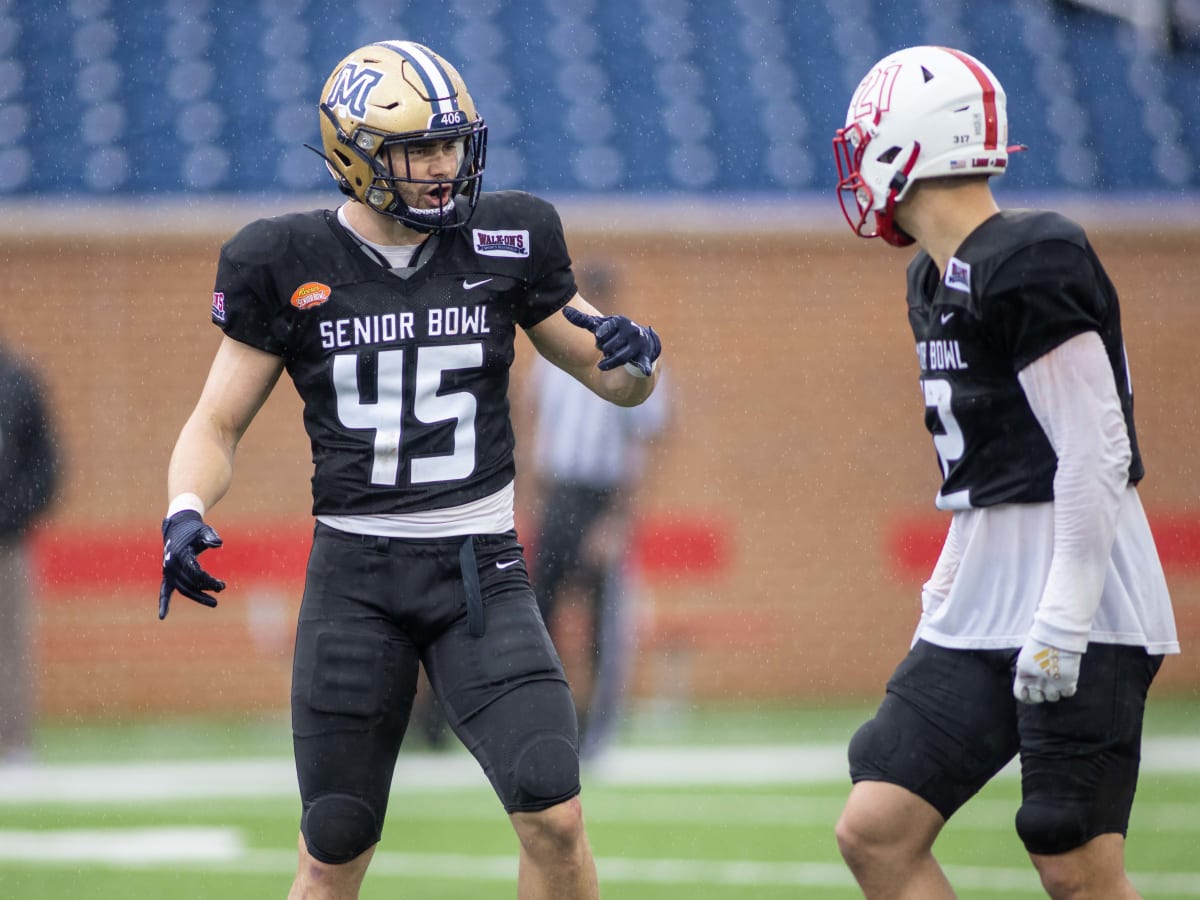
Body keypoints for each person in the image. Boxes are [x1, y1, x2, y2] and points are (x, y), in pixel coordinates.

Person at [156, 40, 662, 900]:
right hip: (355, 577)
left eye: (451, 144)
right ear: (354, 156)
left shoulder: (510, 237)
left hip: (481, 569)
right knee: (334, 847)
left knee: (555, 810)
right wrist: (185, 503)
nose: (443, 167)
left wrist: (637, 357)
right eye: (418, 149)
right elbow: (217, 420)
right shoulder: (282, 261)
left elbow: (611, 378)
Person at [830, 46, 1179, 900]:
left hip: (1085, 587)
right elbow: (977, 475)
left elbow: (1094, 451)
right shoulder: (932, 276)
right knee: (877, 828)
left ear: (904, 146)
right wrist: (943, 600)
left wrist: (1062, 618)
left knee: (1071, 861)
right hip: (985, 591)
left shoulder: (1030, 256)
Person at [526, 260, 671, 761]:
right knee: (538, 614)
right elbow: (538, 437)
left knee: (600, 622)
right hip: (559, 497)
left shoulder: (630, 356)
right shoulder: (551, 356)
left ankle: (597, 732)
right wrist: (534, 505)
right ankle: (543, 720)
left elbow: (644, 450)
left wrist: (617, 521)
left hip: (600, 499)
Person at [0, 340, 60, 763]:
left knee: (9, 646)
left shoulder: (17, 382)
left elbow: (47, 464)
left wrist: (13, 514)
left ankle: (12, 745)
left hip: (7, 542)